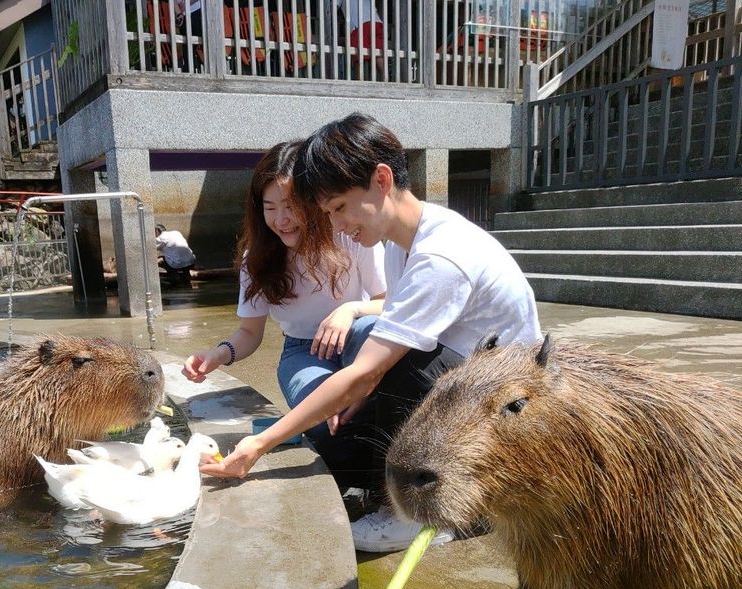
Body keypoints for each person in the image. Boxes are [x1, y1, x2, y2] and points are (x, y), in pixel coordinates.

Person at [202, 114, 542, 553]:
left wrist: (260, 444)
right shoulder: (407, 241)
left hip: (506, 405)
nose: (338, 226)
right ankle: (437, 498)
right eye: (326, 214)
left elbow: (369, 371)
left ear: (381, 179)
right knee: (336, 427)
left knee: (393, 361)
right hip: (469, 381)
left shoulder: (439, 256)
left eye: (339, 208)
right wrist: (353, 402)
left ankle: (417, 514)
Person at [182, 141, 386, 494]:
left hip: (357, 336)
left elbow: (391, 303)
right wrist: (218, 353)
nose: (281, 219)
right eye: (270, 207)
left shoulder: (350, 234)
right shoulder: (256, 259)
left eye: (291, 206)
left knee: (370, 330)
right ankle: (356, 480)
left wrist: (350, 309)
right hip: (302, 351)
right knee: (324, 418)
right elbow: (250, 331)